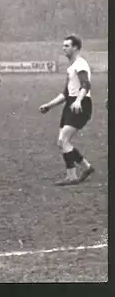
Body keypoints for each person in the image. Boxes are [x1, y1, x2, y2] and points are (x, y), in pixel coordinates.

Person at [39, 34, 95, 186]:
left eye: (67, 46)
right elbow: (65, 93)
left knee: (64, 140)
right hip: (71, 104)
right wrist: (49, 105)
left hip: (80, 105)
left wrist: (78, 100)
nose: (64, 48)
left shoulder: (80, 64)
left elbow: (86, 85)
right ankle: (86, 167)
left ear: (75, 47)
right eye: (63, 45)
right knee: (62, 141)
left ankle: (72, 176)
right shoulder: (72, 67)